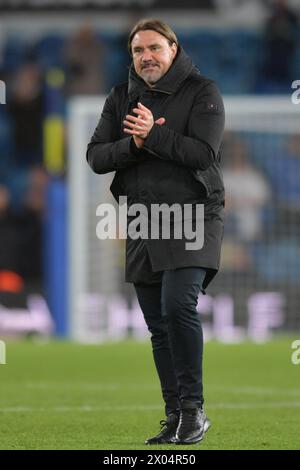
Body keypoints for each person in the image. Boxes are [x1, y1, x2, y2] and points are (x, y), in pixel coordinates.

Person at [87, 19, 225, 445]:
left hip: (193, 215)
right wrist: (135, 145)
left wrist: (154, 133)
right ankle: (174, 415)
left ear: (173, 48)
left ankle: (192, 411)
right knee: (158, 325)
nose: (145, 56)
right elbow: (96, 156)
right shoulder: (120, 97)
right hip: (144, 220)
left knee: (178, 306)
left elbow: (203, 153)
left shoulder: (203, 92)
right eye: (137, 50)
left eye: (153, 47)